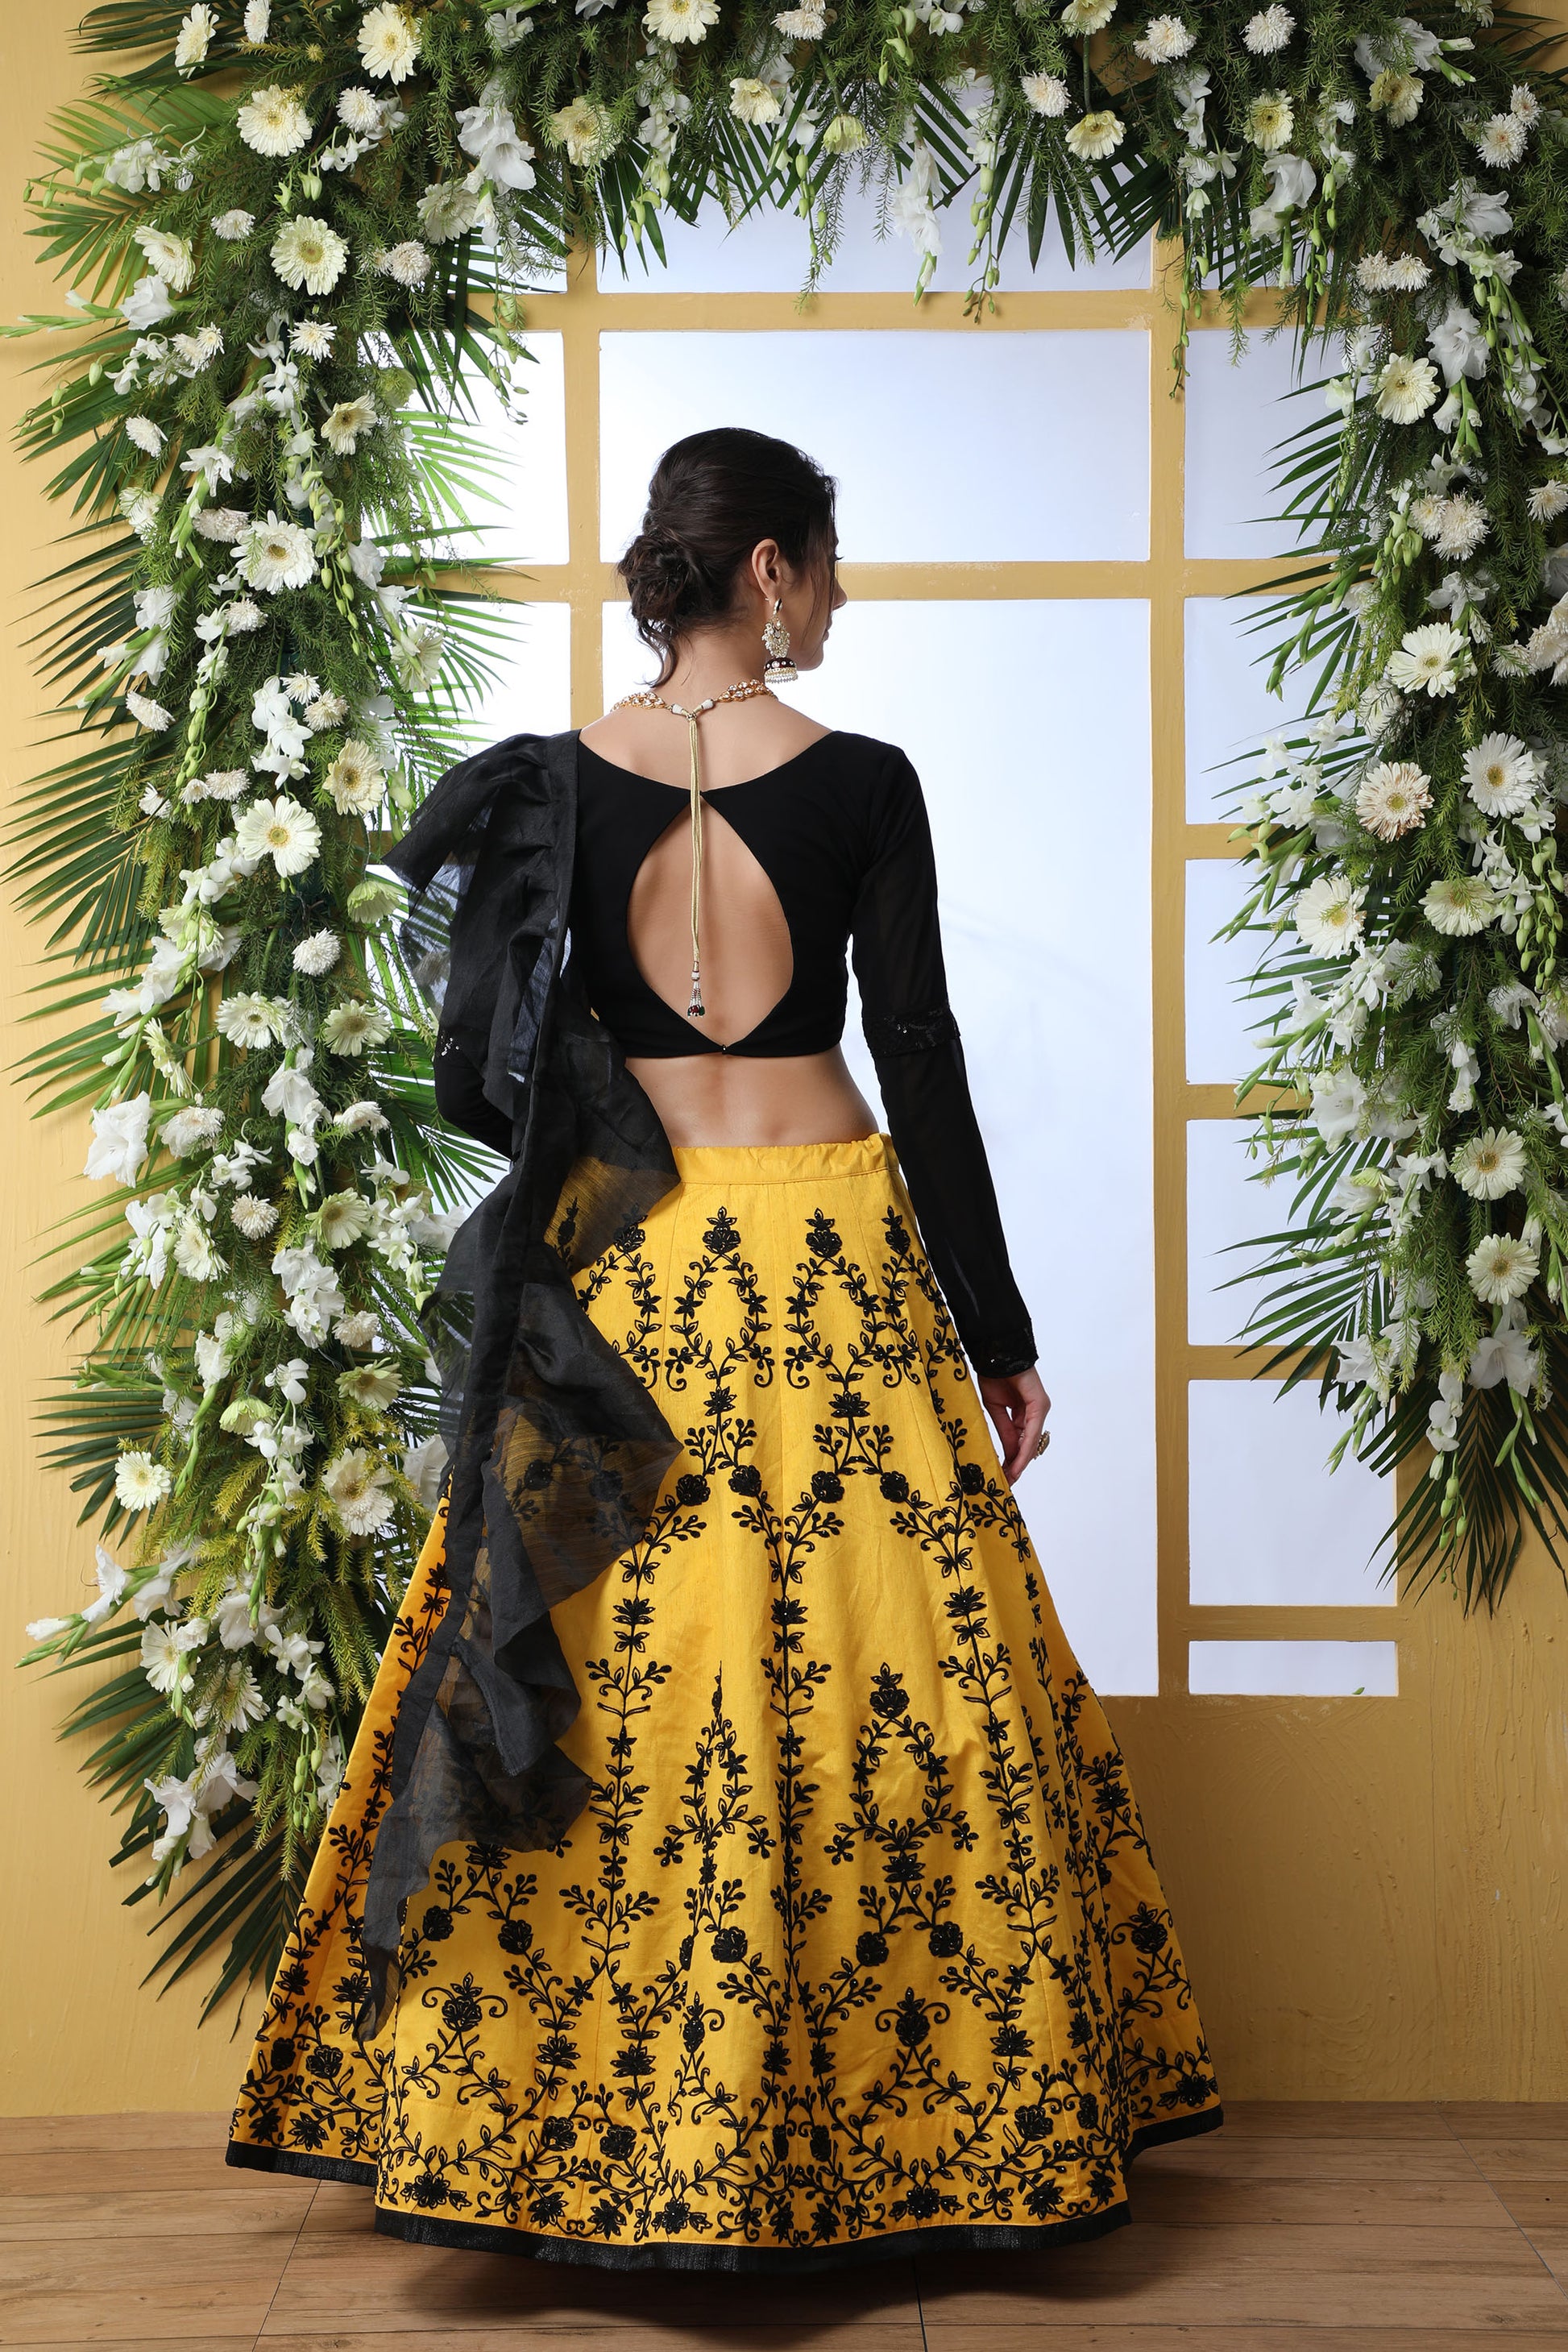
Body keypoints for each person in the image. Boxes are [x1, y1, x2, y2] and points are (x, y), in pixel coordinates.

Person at [226, 425, 1222, 2269]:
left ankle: (567, 2122)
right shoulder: (863, 781)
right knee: (891, 1661)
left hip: (632, 1266)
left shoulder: (548, 787)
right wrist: (995, 1328)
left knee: (612, 1656)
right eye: (826, 565)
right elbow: (915, 1054)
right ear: (768, 567)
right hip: (830, 1250)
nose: (839, 597)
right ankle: (928, 2122)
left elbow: (485, 1070)